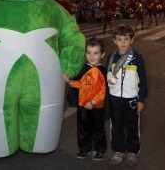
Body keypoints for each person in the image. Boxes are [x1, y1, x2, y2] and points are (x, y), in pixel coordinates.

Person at [106, 24, 147, 167]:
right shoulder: (111, 57)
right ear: (114, 41)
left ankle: (132, 152)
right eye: (119, 39)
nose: (123, 43)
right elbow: (106, 76)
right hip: (115, 99)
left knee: (132, 126)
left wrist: (141, 99)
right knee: (116, 126)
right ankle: (118, 151)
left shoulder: (137, 58)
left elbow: (143, 80)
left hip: (131, 100)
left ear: (132, 40)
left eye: (126, 39)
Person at [63, 37, 107, 161]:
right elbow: (80, 84)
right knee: (83, 128)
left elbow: (103, 91)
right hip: (83, 105)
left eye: (95, 53)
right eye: (88, 53)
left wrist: (93, 102)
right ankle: (84, 148)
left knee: (97, 128)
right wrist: (71, 81)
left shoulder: (101, 72)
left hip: (97, 106)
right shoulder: (85, 68)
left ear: (102, 54)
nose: (91, 56)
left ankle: (98, 149)